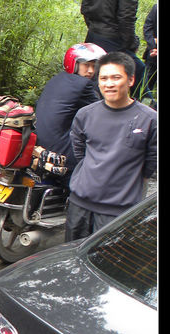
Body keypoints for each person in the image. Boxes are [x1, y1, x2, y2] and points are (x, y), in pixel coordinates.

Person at [66, 51, 157, 241]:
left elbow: (151, 162)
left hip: (118, 210)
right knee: (72, 259)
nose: (109, 84)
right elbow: (79, 150)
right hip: (80, 204)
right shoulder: (85, 114)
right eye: (104, 78)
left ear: (131, 80)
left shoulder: (149, 119)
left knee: (105, 263)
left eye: (116, 77)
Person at [32, 43, 104, 180]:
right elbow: (101, 112)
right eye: (86, 65)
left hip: (40, 141)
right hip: (61, 148)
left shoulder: (57, 79)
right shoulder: (84, 85)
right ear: (74, 64)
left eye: (94, 66)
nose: (90, 70)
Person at [140, 3, 157, 104]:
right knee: (146, 85)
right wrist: (153, 46)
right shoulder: (156, 8)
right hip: (152, 55)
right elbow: (147, 28)